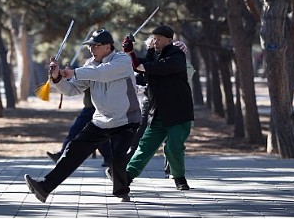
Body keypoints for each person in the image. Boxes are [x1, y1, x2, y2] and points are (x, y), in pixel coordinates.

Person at [24, 29, 141, 203]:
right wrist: (57, 79)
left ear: (108, 46)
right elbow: (72, 89)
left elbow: (103, 73)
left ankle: (122, 191)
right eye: (90, 46)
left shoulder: (122, 61)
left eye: (96, 46)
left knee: (117, 156)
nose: (91, 49)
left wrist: (74, 72)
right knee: (73, 151)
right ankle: (44, 187)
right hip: (101, 120)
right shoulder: (89, 65)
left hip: (126, 120)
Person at [123, 25, 194, 191]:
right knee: (145, 146)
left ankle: (179, 178)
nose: (155, 41)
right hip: (158, 112)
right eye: (153, 38)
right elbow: (138, 66)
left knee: (173, 147)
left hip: (178, 112)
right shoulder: (152, 55)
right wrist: (128, 52)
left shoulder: (176, 55)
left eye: (159, 38)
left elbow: (155, 66)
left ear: (169, 40)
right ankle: (126, 177)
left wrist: (137, 61)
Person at [46, 88, 112, 167]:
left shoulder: (94, 76)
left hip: (96, 108)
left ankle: (110, 158)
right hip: (90, 107)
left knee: (80, 131)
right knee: (91, 133)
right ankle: (110, 158)